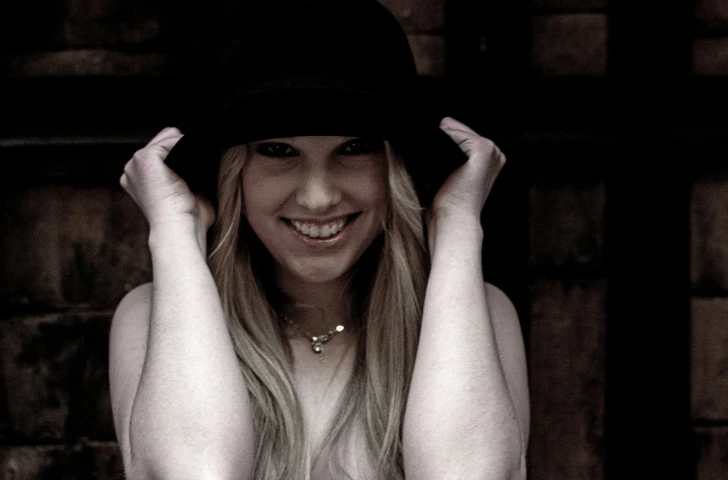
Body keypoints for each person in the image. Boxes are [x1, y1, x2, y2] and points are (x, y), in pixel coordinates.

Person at [108, 0, 529, 478]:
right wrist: (172, 230)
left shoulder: (482, 313)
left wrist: (456, 224)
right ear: (232, 175)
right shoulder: (150, 317)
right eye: (277, 150)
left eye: (355, 147)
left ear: (396, 171)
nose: (318, 197)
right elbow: (194, 471)